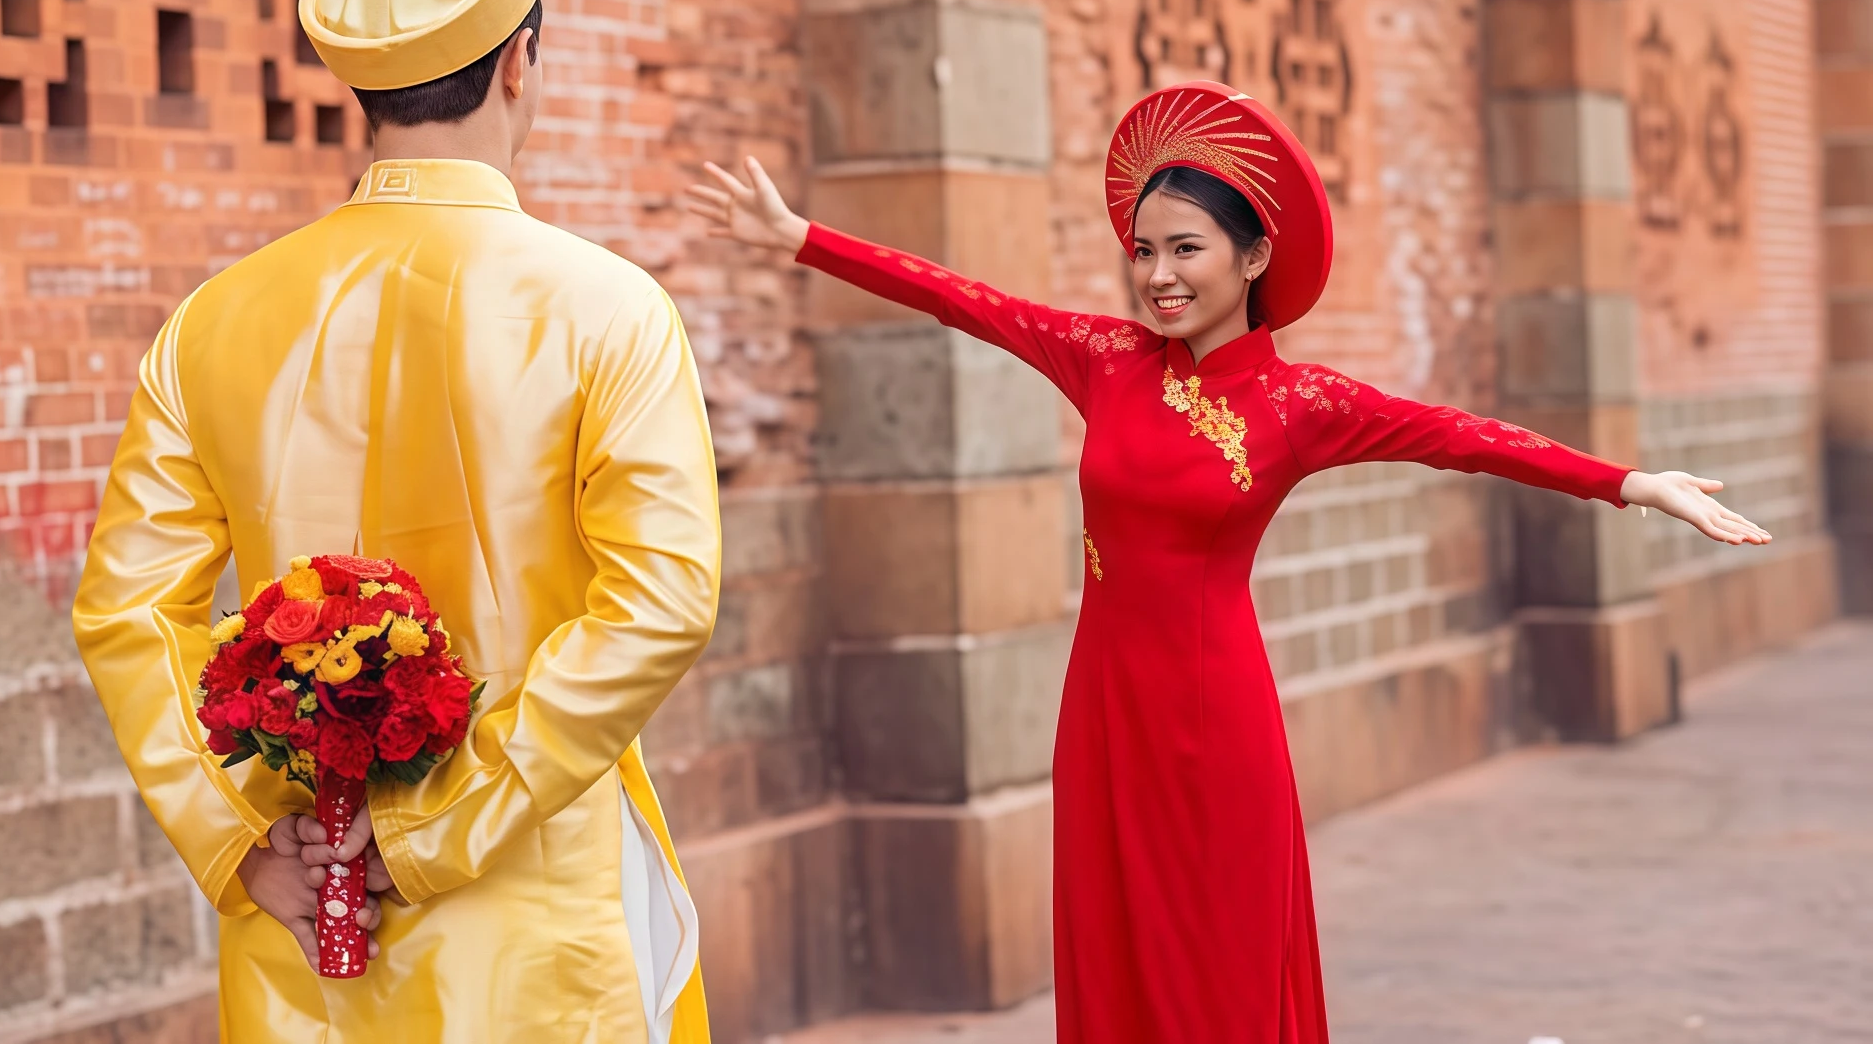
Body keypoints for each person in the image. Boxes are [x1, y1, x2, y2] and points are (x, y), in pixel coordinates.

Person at [687, 80, 1770, 1043]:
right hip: (1103, 710)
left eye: (1184, 250)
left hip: (1216, 724)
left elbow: (1463, 437)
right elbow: (960, 297)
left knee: (1218, 962)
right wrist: (802, 239)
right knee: (1113, 950)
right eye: (1143, 251)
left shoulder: (1300, 405)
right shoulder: (1103, 360)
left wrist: (1630, 483)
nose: (1156, 277)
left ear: (1253, 257)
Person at [73, 0, 719, 1044]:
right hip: (538, 898)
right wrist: (442, 828)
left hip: (307, 897)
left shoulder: (214, 322)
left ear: (363, 87)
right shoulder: (608, 310)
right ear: (521, 61)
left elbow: (125, 610)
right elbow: (660, 602)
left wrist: (233, 843)